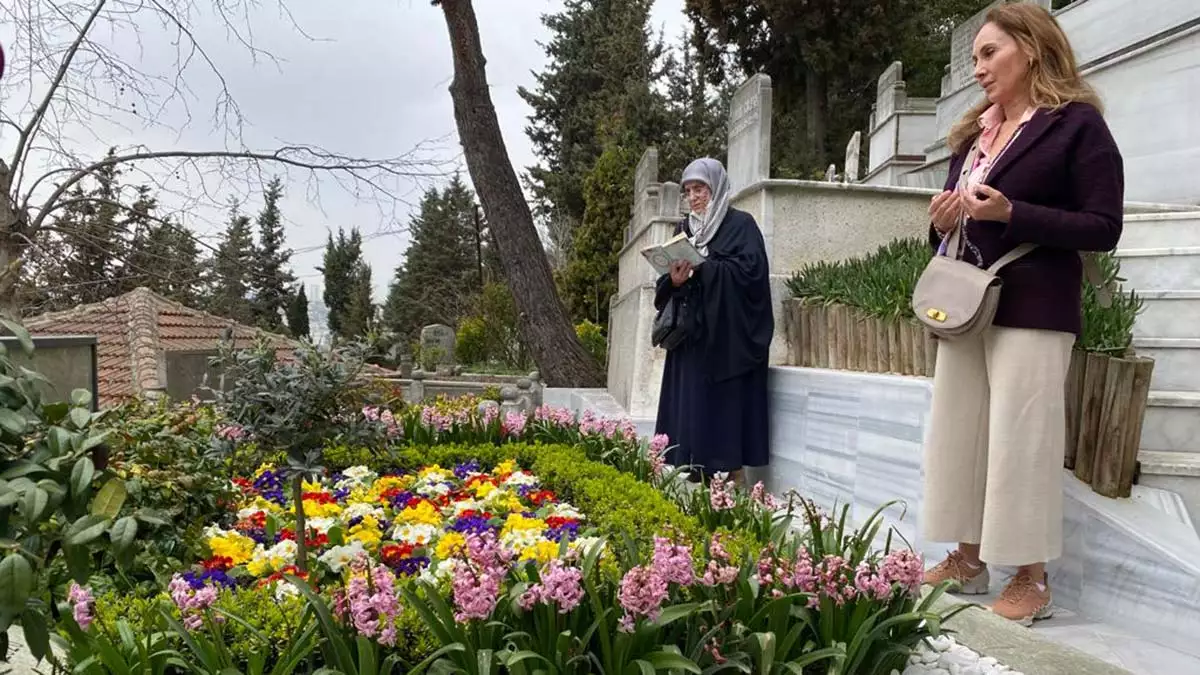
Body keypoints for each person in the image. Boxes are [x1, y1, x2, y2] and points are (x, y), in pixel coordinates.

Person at [919, 3, 1124, 626]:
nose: (978, 69)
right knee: (960, 431)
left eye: (989, 53)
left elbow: (1103, 226)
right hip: (966, 305)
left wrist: (1014, 213)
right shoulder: (974, 135)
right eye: (976, 57)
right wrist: (943, 222)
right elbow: (958, 228)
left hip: (1035, 304)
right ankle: (968, 556)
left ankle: (1030, 578)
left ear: (1031, 48)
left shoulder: (1076, 126)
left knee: (1021, 438)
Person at [653, 157, 774, 487]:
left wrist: (706, 267)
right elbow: (665, 284)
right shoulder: (683, 230)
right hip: (690, 340)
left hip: (726, 342)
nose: (694, 197)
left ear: (716, 189)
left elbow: (751, 277)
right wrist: (675, 281)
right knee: (690, 407)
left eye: (700, 189)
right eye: (688, 190)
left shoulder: (741, 225)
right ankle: (691, 467)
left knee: (721, 412)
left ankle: (729, 476)